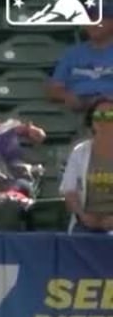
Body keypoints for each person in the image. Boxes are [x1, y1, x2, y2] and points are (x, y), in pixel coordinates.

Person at [58, 97, 113, 233]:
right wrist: (83, 216)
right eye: (99, 116)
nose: (104, 120)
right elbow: (69, 191)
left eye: (110, 115)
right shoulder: (80, 151)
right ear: (91, 121)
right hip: (86, 222)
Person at [48, 18, 113, 111]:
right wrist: (67, 96)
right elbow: (54, 89)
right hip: (78, 105)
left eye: (99, 20)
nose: (93, 24)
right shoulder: (72, 53)